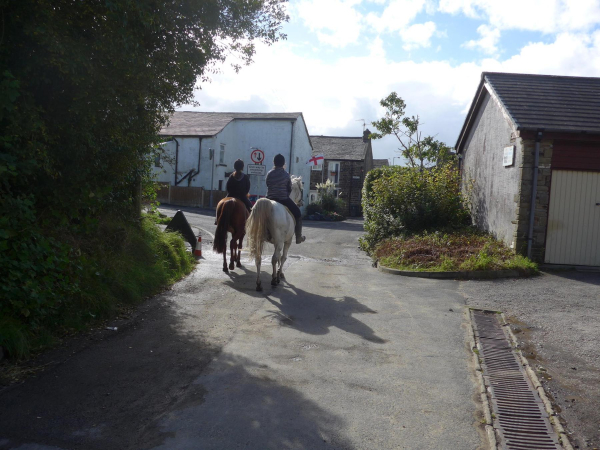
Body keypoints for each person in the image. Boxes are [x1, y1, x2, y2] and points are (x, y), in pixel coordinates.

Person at [266, 154, 305, 244]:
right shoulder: (286, 175)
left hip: (269, 198)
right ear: (283, 163)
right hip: (283, 199)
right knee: (298, 213)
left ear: (274, 163)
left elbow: (267, 185)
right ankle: (298, 237)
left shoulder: (269, 173)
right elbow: (289, 188)